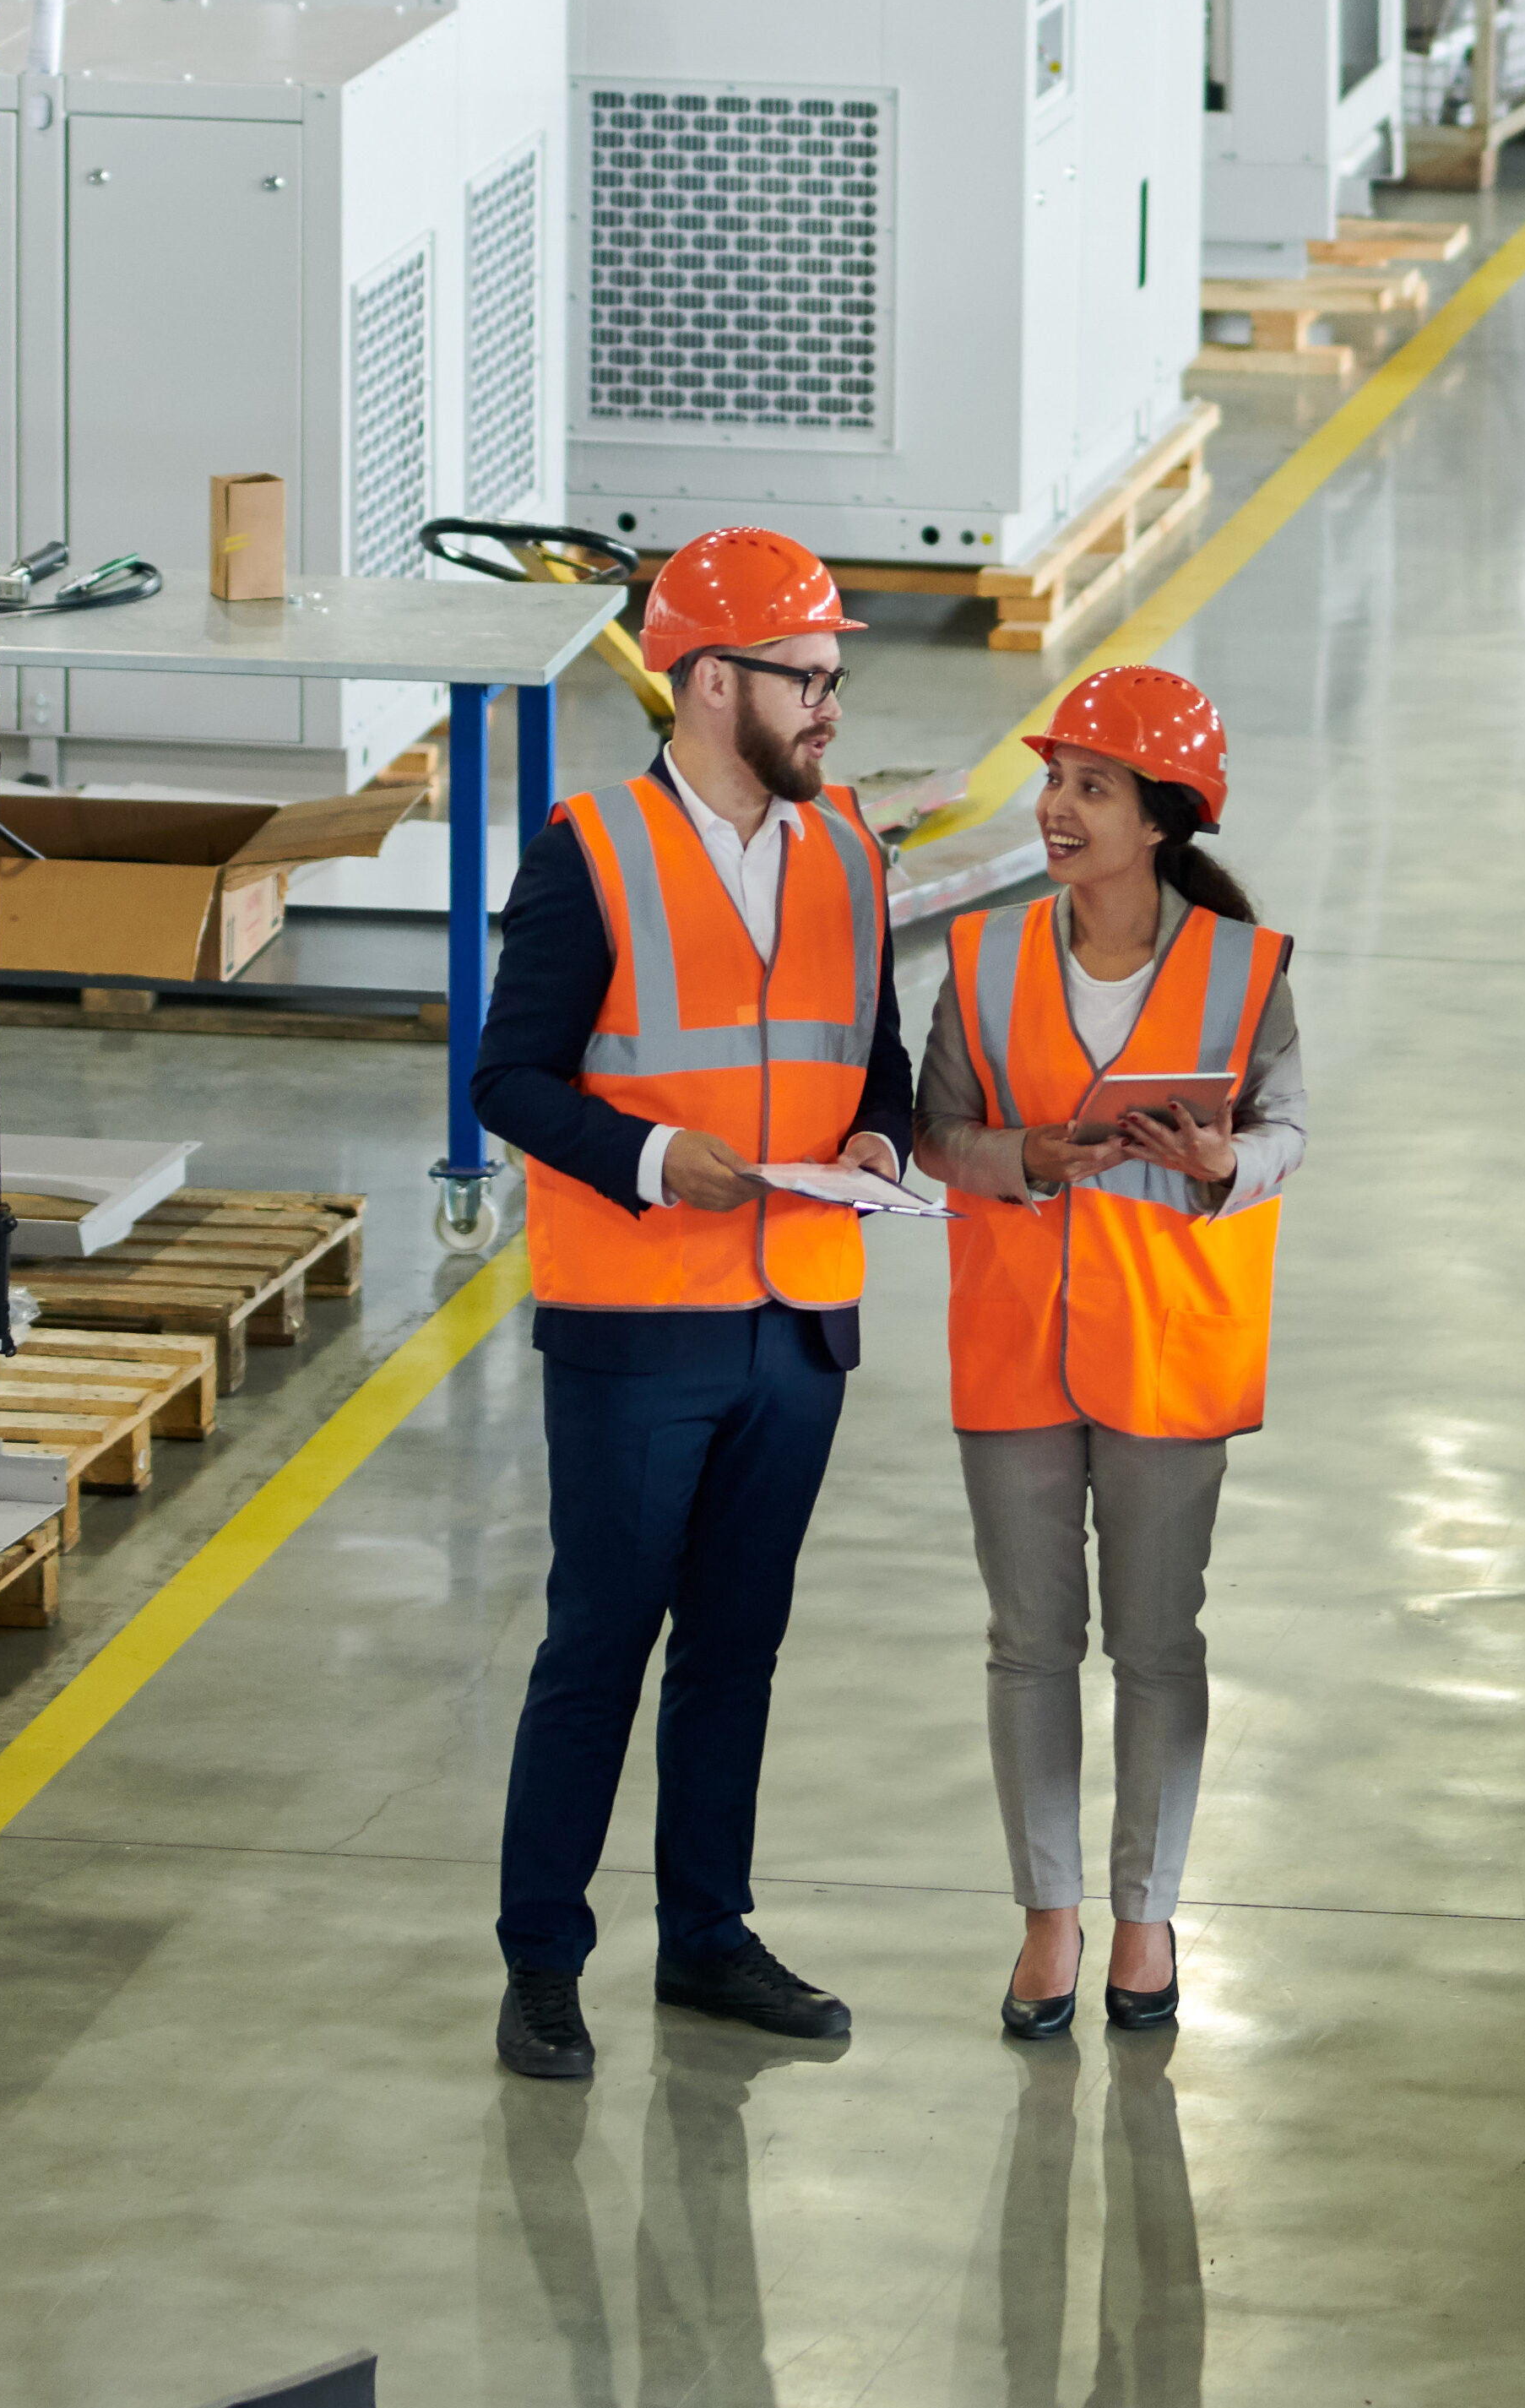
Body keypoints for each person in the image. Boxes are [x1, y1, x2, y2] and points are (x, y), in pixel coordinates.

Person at [470, 525, 915, 2081]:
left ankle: (709, 1939)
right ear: (711, 682)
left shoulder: (853, 852)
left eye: (836, 681)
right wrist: (656, 1158)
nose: (831, 711)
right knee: (600, 1644)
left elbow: (885, 1064)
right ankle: (543, 1962)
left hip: (796, 1325)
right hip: (638, 1328)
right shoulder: (588, 855)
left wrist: (881, 1139)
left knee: (738, 1645)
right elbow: (509, 1079)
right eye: (808, 679)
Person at [915, 665, 1305, 2038]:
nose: (1057, 808)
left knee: (1156, 1644)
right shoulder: (985, 958)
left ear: (1160, 821)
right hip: (1016, 1339)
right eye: (1056, 780)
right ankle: (1049, 1921)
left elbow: (1287, 1133)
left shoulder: (1241, 971)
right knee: (1029, 1646)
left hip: (1166, 1347)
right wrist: (1020, 1154)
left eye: (1092, 786)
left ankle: (1148, 1921)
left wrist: (1223, 1162)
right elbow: (934, 1131)